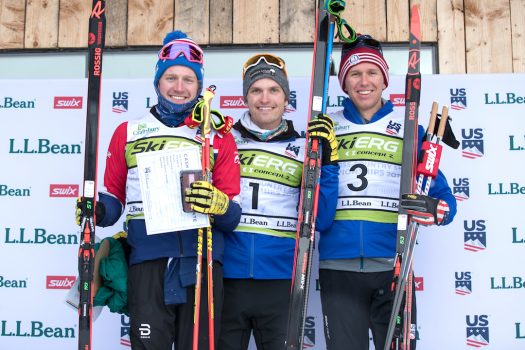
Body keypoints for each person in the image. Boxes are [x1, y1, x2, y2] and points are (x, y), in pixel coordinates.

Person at [81, 30, 241, 350]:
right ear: (157, 82)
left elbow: (233, 216)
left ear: (199, 85)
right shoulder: (129, 132)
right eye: (170, 77)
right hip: (149, 261)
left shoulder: (216, 135)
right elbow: (114, 199)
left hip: (201, 262)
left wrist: (219, 204)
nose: (179, 87)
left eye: (188, 80)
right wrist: (96, 211)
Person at [317, 34, 458, 350]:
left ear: (384, 79)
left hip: (393, 264)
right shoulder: (328, 127)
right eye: (354, 73)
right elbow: (311, 201)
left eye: (372, 72)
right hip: (338, 268)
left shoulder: (409, 127)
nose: (363, 81)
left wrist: (433, 208)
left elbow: (445, 200)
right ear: (344, 82)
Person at [218, 53, 339, 350]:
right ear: (246, 97)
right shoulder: (223, 141)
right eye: (256, 90)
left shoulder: (302, 147)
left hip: (282, 279)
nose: (265, 98)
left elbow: (320, 219)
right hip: (226, 279)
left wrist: (329, 163)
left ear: (286, 98)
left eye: (274, 90)